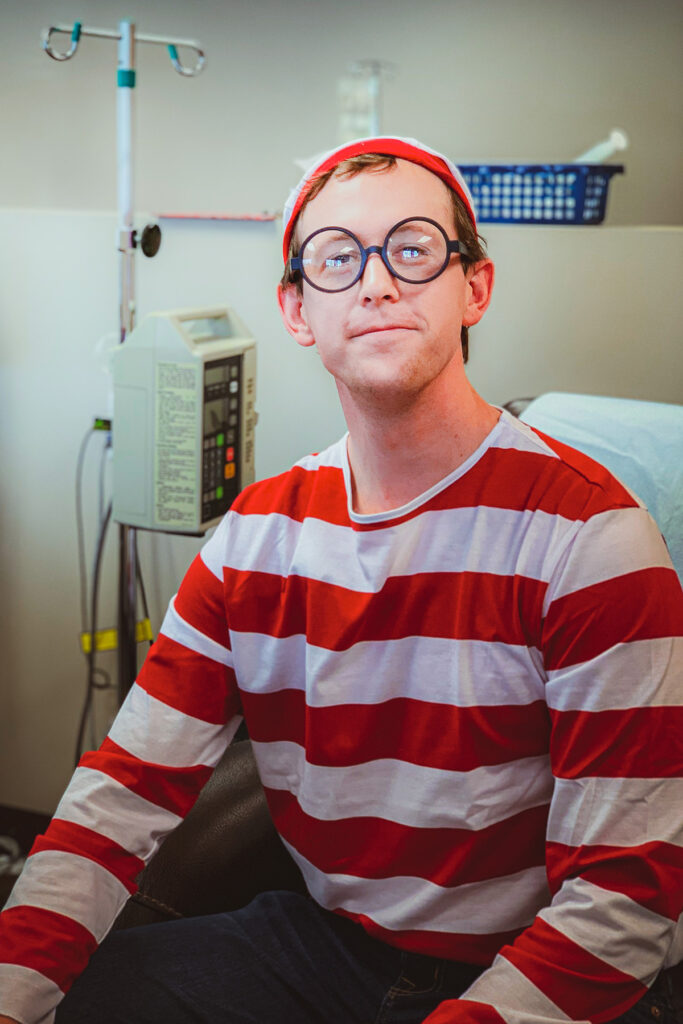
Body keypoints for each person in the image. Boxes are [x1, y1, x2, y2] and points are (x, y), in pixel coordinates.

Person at [1, 136, 682, 1024]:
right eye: (336, 258)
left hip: (532, 965)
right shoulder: (254, 540)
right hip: (324, 947)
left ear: (472, 285)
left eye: (411, 248)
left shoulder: (590, 540)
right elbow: (119, 798)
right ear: (295, 309)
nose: (376, 282)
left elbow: (622, 901)